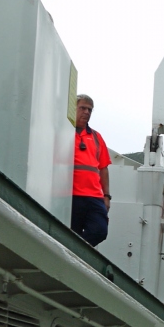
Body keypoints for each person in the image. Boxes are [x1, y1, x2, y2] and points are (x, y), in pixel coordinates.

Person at [70, 94, 111, 246]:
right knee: (71, 231)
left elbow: (103, 168)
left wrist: (106, 196)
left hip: (94, 196)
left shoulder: (96, 137)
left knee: (100, 231)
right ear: (73, 108)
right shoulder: (64, 132)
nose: (86, 112)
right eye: (82, 108)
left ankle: (73, 250)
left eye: (90, 110)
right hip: (71, 195)